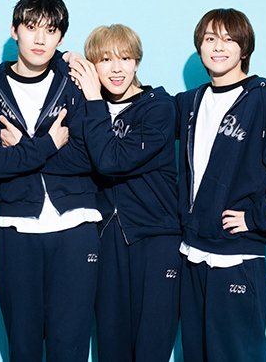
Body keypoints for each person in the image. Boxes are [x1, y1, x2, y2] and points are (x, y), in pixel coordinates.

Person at [175, 8, 266, 361]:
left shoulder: (262, 99)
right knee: (196, 353)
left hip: (236, 257)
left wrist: (256, 217)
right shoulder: (191, 102)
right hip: (193, 253)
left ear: (244, 48)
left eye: (229, 39)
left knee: (238, 354)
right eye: (210, 38)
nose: (218, 47)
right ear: (199, 46)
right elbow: (142, 112)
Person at [0, 0, 100, 362]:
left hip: (76, 226)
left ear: (61, 38)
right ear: (14, 31)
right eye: (31, 27)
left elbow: (88, 156)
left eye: (51, 30)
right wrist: (48, 144)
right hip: (17, 229)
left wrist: (23, 148)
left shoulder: (73, 82)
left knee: (70, 346)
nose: (40, 39)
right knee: (23, 347)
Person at [69, 24, 180, 362]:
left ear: (137, 62)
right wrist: (67, 59)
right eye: (105, 60)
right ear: (92, 66)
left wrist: (92, 99)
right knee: (111, 344)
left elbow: (111, 161)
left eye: (125, 58)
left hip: (155, 236)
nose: (116, 69)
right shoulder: (88, 108)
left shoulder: (159, 107)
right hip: (107, 236)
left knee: (151, 345)